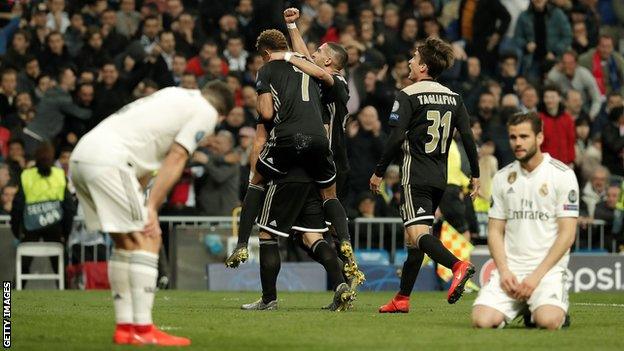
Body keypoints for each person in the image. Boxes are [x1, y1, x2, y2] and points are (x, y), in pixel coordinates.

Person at [69, 82, 234, 346]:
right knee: (149, 238)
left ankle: (125, 329)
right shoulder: (206, 111)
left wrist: (144, 198)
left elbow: (146, 160)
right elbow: (178, 157)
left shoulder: (176, 94)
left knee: (125, 244)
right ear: (222, 115)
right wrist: (152, 208)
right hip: (110, 161)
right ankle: (144, 330)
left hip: (82, 157)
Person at [225, 28, 363, 285]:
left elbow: (265, 120)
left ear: (330, 61)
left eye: (319, 51)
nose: (311, 54)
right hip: (324, 160)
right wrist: (293, 27)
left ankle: (245, 247)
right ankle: (344, 278)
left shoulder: (329, 81)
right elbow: (308, 62)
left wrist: (287, 56)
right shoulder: (311, 78)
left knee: (269, 226)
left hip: (311, 156)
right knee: (310, 235)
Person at [370, 37, 480, 312]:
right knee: (415, 240)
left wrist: (379, 172)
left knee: (417, 234)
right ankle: (402, 298)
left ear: (422, 66)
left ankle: (458, 265)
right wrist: (475, 174)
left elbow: (395, 139)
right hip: (439, 178)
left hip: (414, 174)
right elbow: (467, 137)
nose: (409, 61)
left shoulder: (408, 94)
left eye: (414, 57)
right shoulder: (454, 98)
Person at [472, 112, 578, 330]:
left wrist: (535, 277)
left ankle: (544, 308)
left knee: (548, 321)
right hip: (511, 271)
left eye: (524, 136)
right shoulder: (502, 177)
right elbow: (494, 231)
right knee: (481, 320)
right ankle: (523, 307)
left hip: (546, 271)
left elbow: (567, 234)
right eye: (513, 137)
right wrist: (504, 271)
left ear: (539, 138)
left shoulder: (562, 175)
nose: (518, 143)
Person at [10, 142, 76, 286]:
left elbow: (18, 206)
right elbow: (69, 207)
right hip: (54, 226)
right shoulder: (59, 175)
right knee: (60, 269)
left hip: (30, 226)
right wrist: (66, 232)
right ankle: (69, 298)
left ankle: (9, 301)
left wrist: (17, 231)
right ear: (52, 158)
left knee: (23, 266)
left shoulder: (26, 175)